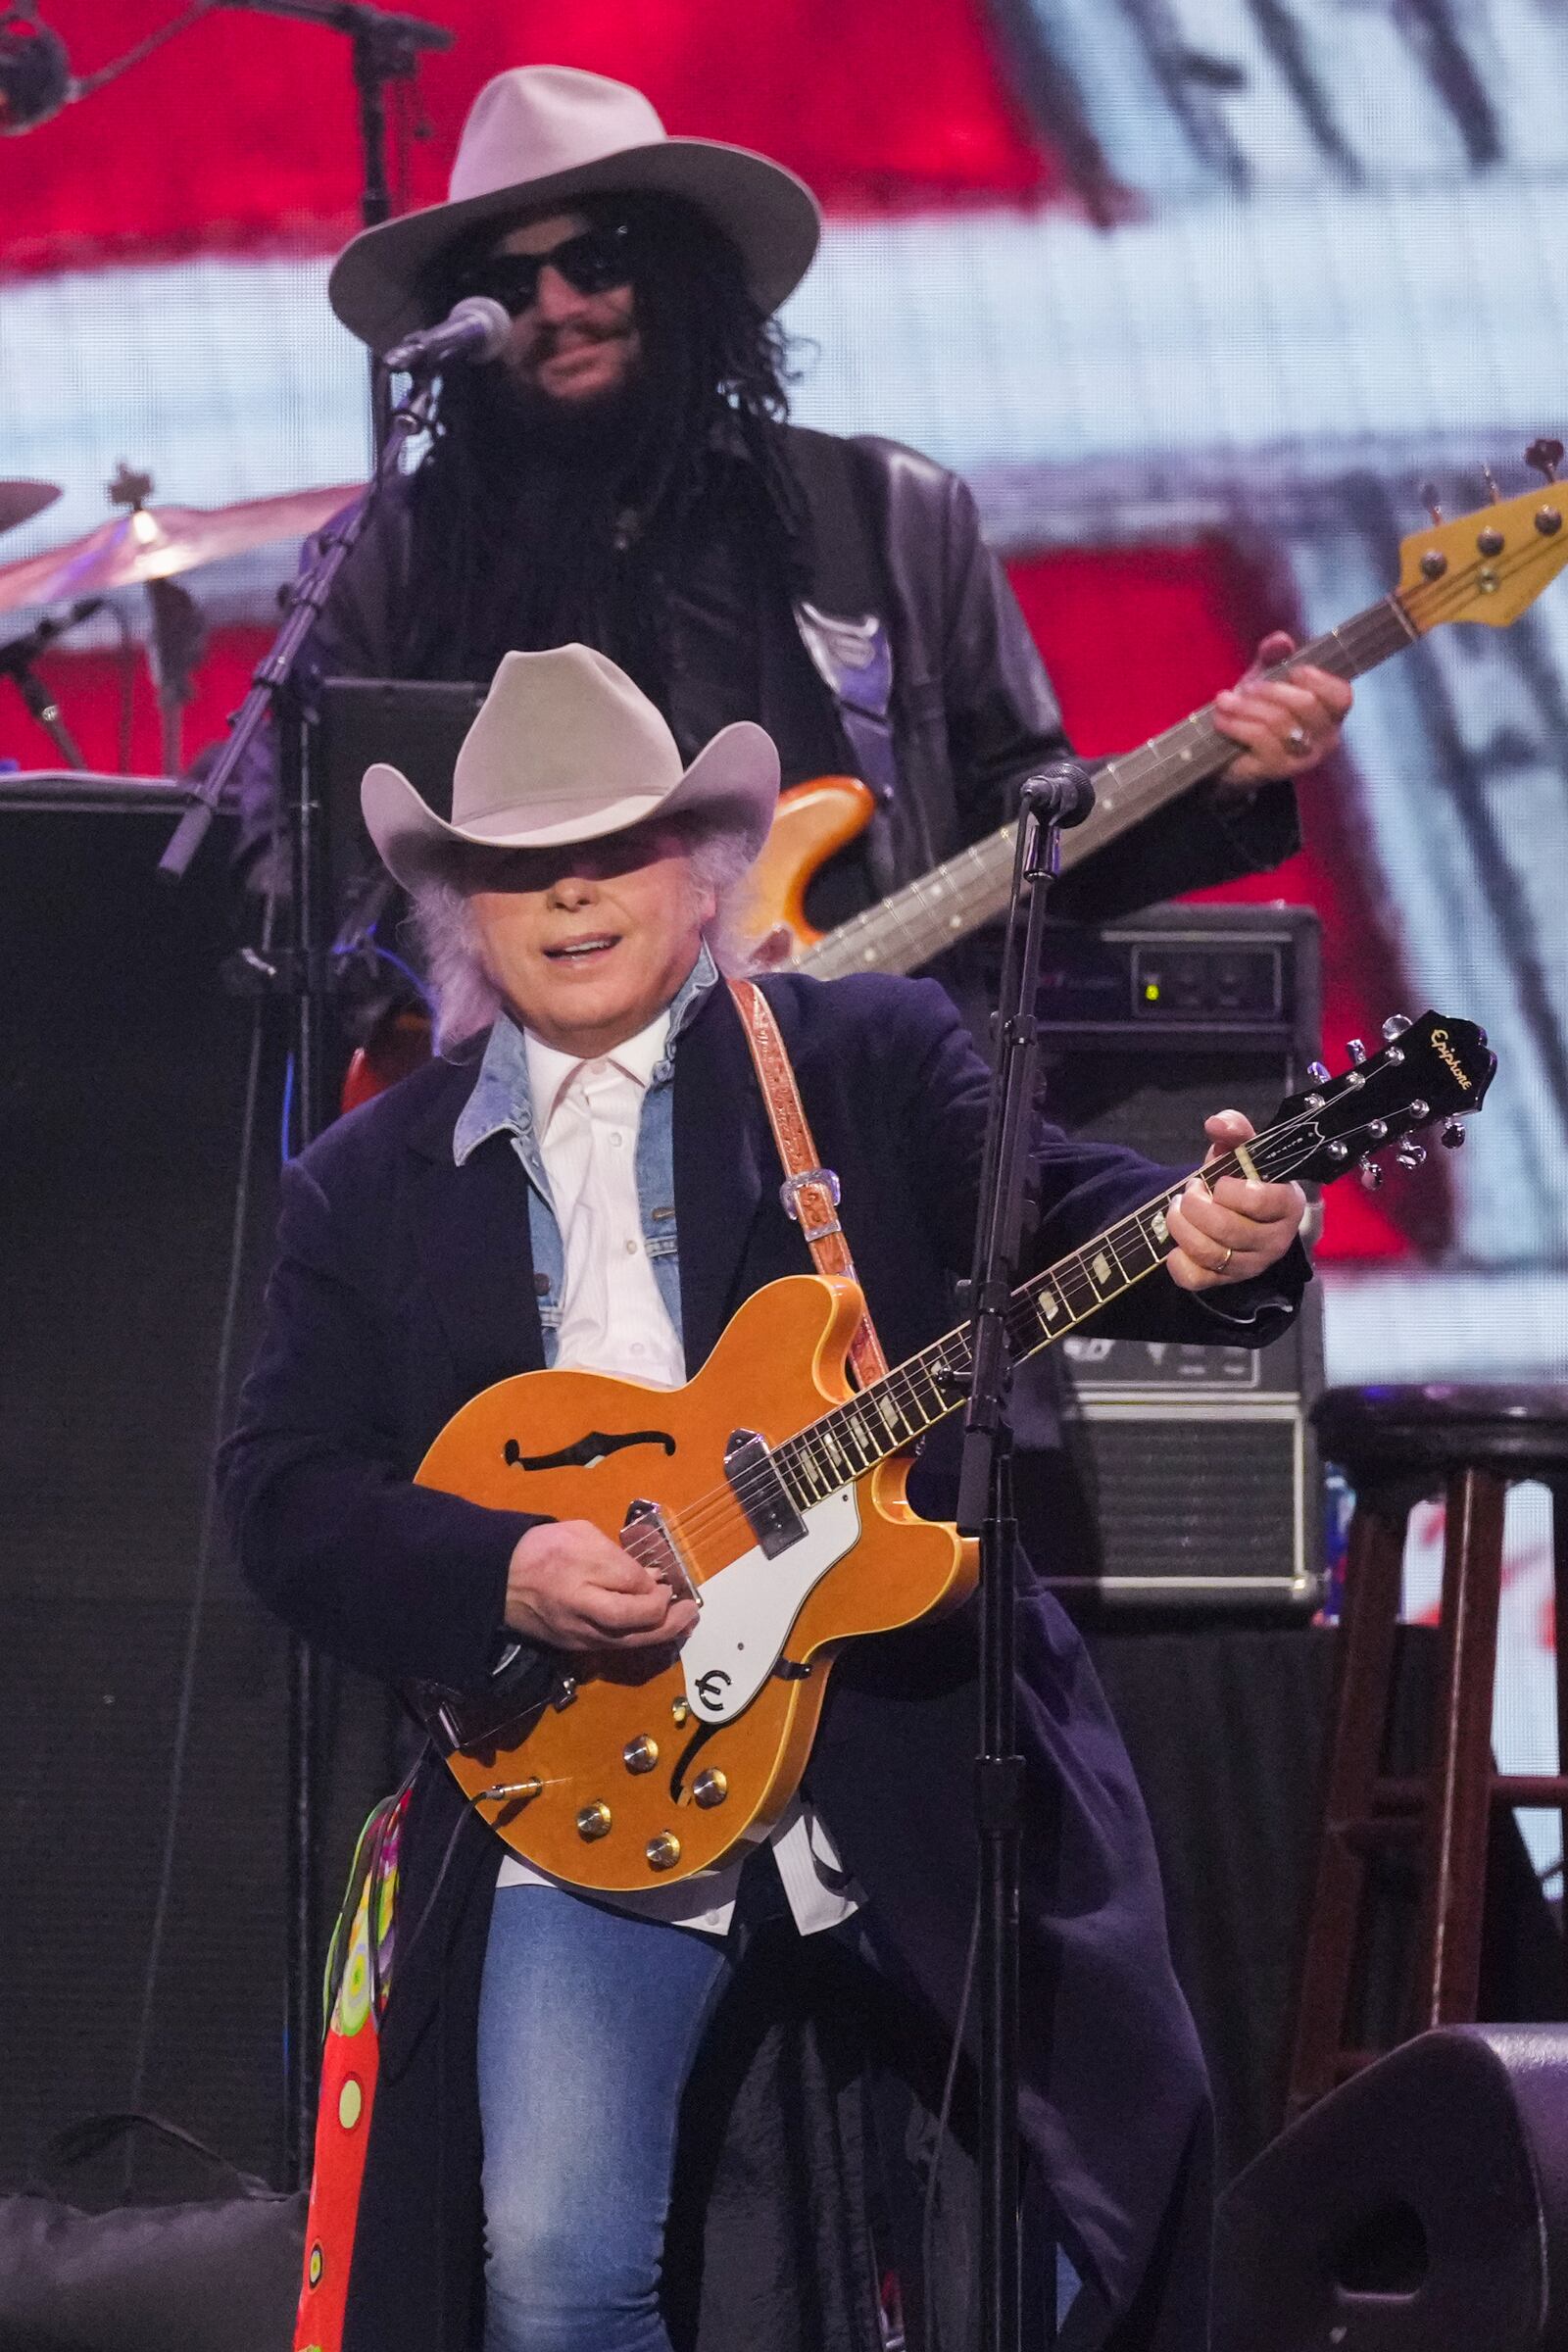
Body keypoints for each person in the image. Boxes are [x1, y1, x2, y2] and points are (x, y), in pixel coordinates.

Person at [220, 644, 1311, 2352]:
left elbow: (1045, 1211)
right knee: (556, 2271)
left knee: (1093, 2223)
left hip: (911, 1737)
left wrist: (1209, 1233)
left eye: (618, 847)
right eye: (523, 862)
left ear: (705, 866)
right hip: (595, 1778)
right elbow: (280, 1491)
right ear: (465, 906)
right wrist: (507, 1567)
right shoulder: (363, 1184)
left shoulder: (860, 1050)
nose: (573, 893)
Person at [230, 62, 1352, 943]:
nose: (559, 306)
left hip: (859, 1093)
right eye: (512, 284)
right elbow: (271, 833)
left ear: (682, 275)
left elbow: (1014, 815)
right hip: (524, 1129)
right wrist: (422, 1001)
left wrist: (1215, 779)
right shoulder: (397, 552)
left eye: (600, 258)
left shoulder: (888, 515)